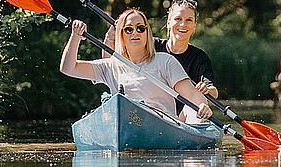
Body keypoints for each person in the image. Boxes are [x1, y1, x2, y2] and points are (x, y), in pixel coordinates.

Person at [60, 9, 211, 122]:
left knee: (194, 114)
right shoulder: (110, 66)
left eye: (140, 28)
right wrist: (75, 37)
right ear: (121, 34)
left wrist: (202, 105)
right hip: (127, 121)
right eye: (128, 29)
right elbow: (68, 68)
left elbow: (191, 94)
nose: (135, 33)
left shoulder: (165, 61)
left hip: (163, 124)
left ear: (146, 32)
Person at [156, 0, 219, 115]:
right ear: (168, 22)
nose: (183, 24)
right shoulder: (153, 46)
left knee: (196, 105)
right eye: (178, 19)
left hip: (182, 117)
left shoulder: (200, 58)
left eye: (189, 20)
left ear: (194, 26)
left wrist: (207, 89)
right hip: (152, 110)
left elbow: (214, 92)